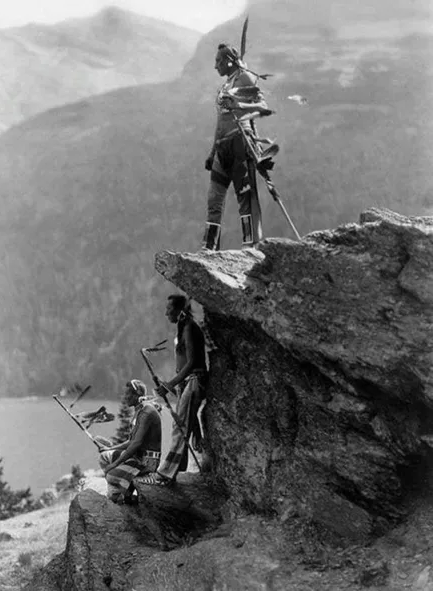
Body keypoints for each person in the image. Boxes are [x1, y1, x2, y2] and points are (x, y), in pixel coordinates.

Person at [202, 42, 273, 250]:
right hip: (222, 148)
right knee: (214, 198)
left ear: (229, 61)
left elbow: (263, 107)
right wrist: (212, 151)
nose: (215, 66)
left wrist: (238, 105)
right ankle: (209, 246)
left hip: (240, 143)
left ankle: (251, 246)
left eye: (218, 61)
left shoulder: (245, 78)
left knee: (245, 198)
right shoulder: (224, 85)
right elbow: (219, 120)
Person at [139, 294, 207, 486]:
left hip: (195, 380)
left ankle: (167, 472)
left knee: (179, 425)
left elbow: (192, 362)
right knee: (183, 421)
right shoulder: (185, 328)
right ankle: (179, 468)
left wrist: (168, 385)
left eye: (169, 309)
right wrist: (173, 384)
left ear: (180, 310)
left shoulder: (189, 328)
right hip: (188, 381)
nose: (166, 312)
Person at [95, 379, 162, 504]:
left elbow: (136, 444)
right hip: (139, 457)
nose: (124, 397)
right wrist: (109, 449)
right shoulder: (140, 410)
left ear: (137, 395)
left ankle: (119, 498)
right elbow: (131, 441)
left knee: (111, 475)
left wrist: (115, 465)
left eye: (127, 394)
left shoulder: (146, 412)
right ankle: (123, 494)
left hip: (147, 462)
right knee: (104, 457)